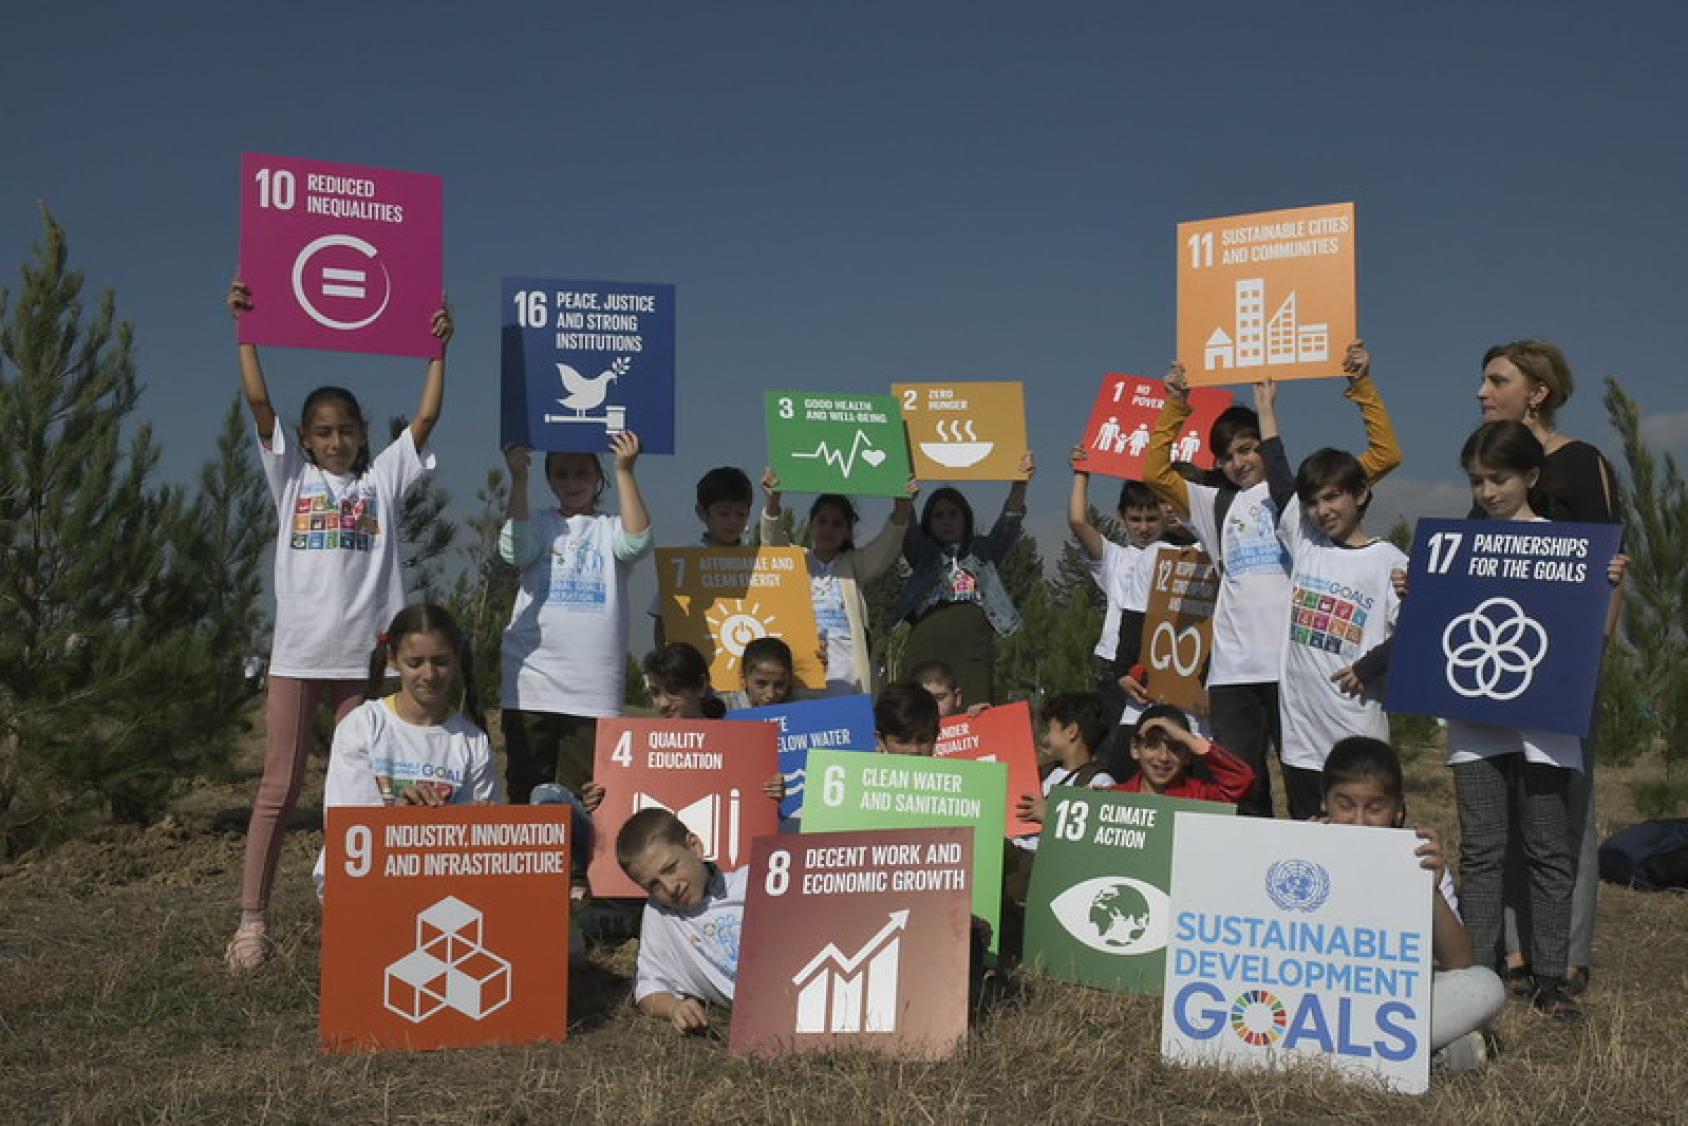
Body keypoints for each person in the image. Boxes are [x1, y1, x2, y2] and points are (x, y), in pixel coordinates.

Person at [223, 279, 452, 972]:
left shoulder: (380, 480)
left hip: (367, 665)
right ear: (304, 438)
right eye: (322, 431)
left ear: (361, 433)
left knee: (366, 789)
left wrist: (438, 346)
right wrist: (244, 328)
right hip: (298, 657)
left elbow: (426, 420)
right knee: (278, 789)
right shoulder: (289, 479)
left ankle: (366, 911)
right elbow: (258, 402)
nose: (336, 441)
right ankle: (252, 922)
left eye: (346, 429)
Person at [1145, 342, 1401, 816]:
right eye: (1226, 456)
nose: (1238, 461)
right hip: (1234, 671)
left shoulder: (1304, 495)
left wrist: (1361, 385)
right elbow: (1153, 471)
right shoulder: (1212, 502)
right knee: (1240, 788)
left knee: (1309, 782)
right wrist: (1177, 404)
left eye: (1246, 449)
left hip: (1293, 669)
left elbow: (1385, 454)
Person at [1441, 421, 1626, 1020]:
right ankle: (1480, 969)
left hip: (1545, 725)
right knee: (1483, 849)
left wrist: (1605, 583)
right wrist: (1416, 590)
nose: (1488, 491)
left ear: (1531, 478)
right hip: (1475, 723)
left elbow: (1585, 629)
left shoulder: (1569, 548)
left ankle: (1551, 979)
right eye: (1477, 481)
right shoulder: (1456, 550)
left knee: (1548, 847)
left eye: (1499, 478)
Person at [1476, 339, 1621, 997]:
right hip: (1495, 667)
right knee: (1504, 811)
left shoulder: (1582, 463)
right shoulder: (1491, 468)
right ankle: (1512, 952)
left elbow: (1608, 568)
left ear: (1536, 391)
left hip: (1559, 665)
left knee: (1565, 811)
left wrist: (1596, 653)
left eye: (1496, 380)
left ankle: (1566, 958)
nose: (1482, 392)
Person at [1319, 736, 1506, 1069]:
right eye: (1345, 805)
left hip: (1389, 1002)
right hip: (1316, 998)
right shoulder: (1298, 848)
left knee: (1485, 987)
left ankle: (1361, 1048)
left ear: (1398, 810)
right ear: (1325, 803)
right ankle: (1427, 1053)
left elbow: (1459, 961)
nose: (1359, 820)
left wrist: (1430, 889)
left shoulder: (1418, 859)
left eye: (1374, 808)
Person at [1272, 364, 1407, 819]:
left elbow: (1417, 631)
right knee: (1309, 841)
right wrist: (1265, 408)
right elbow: (1277, 472)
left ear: (1361, 493)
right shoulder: (1305, 541)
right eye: (1313, 502)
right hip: (1301, 740)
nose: (1321, 510)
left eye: (1333, 497)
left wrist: (1368, 666)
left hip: (1356, 735)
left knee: (1363, 842)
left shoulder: (1389, 560)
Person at [499, 434, 652, 808]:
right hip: (533, 679)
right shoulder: (537, 521)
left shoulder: (611, 526)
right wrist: (519, 479)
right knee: (525, 790)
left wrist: (626, 471)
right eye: (562, 474)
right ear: (549, 480)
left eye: (582, 473)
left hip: (593, 688)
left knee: (588, 798)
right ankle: (526, 866)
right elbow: (514, 552)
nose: (572, 483)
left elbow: (637, 543)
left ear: (598, 477)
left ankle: (577, 869)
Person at [311, 604, 501, 894]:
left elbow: (487, 841)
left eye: (440, 661)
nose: (429, 674)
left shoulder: (472, 740)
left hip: (447, 883)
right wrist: (401, 820)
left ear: (457, 658)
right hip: (367, 885)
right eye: (415, 663)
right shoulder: (363, 725)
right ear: (393, 660)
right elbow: (346, 830)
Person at [895, 454, 1036, 707]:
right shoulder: (922, 552)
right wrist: (903, 487)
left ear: (965, 517)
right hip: (927, 636)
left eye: (953, 514)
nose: (947, 520)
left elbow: (1010, 520)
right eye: (938, 516)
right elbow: (906, 521)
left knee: (976, 710)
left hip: (972, 641)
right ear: (929, 522)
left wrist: (1020, 482)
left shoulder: (984, 550)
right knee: (918, 710)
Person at [759, 471, 916, 697]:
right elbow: (772, 542)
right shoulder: (796, 561)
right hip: (805, 663)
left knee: (848, 724)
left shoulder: (852, 564)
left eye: (837, 524)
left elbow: (885, 546)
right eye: (822, 521)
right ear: (811, 525)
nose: (828, 529)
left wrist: (902, 506)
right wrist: (773, 501)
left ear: (847, 532)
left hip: (847, 666)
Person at [617, 808, 745, 1033]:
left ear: (695, 846)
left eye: (670, 868)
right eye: (653, 885)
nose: (670, 887)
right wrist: (674, 1008)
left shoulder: (754, 881)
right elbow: (648, 987)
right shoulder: (660, 915)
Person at [1066, 456, 1165, 731]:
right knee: (1116, 749)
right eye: (1135, 519)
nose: (1143, 528)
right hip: (1115, 663)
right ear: (1121, 516)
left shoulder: (1176, 557)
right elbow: (1077, 520)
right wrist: (1082, 472)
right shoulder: (1115, 557)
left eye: (1151, 519)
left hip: (1163, 664)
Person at [649, 466, 754, 647]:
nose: (733, 521)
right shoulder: (685, 561)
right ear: (702, 513)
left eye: (740, 513)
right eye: (724, 513)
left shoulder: (759, 561)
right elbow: (662, 618)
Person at [1013, 692, 1118, 835]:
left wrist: (1052, 815)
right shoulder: (1043, 772)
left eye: (1050, 730)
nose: (1046, 738)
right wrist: (982, 722)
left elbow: (1099, 834)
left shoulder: (1100, 782)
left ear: (1071, 732)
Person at [1111, 704, 1255, 804]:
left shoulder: (1200, 797)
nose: (1163, 757)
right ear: (1135, 749)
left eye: (1175, 747)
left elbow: (1242, 779)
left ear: (1187, 755)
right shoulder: (1113, 798)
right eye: (1152, 745)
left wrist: (1187, 738)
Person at [721, 637, 799, 712]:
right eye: (761, 683)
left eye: (779, 685)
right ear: (743, 679)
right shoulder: (721, 709)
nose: (770, 695)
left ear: (789, 680)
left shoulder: (802, 707)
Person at [874, 682, 941, 756]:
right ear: (881, 741)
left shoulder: (952, 767)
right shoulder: (861, 767)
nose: (914, 750)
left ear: (935, 737)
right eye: (903, 741)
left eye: (923, 740)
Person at [908, 659, 989, 720]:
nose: (932, 706)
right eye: (923, 701)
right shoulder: (904, 738)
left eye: (939, 698)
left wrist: (987, 718)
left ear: (957, 698)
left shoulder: (970, 727)